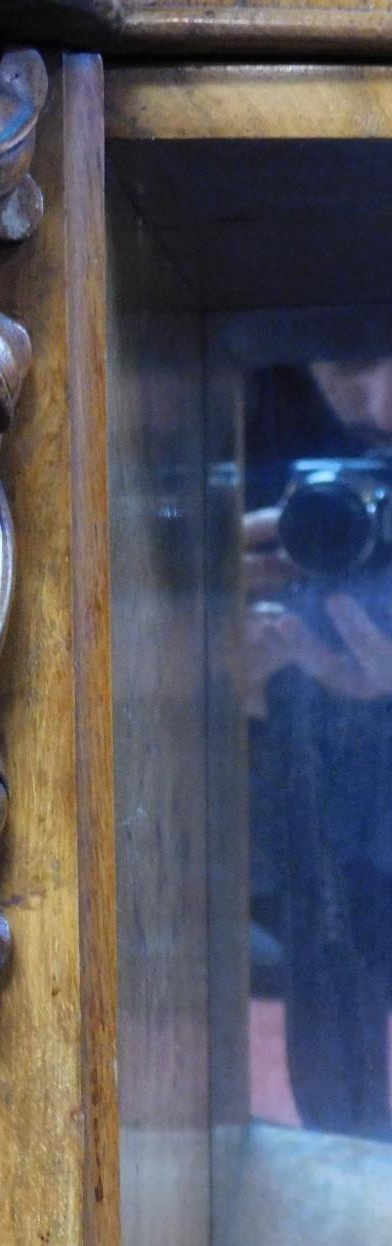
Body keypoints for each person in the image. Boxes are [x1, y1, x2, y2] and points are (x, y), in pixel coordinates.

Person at [243, 355, 392, 1137]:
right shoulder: (240, 424)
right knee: (335, 1104)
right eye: (348, 359)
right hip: (321, 867)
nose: (381, 402)